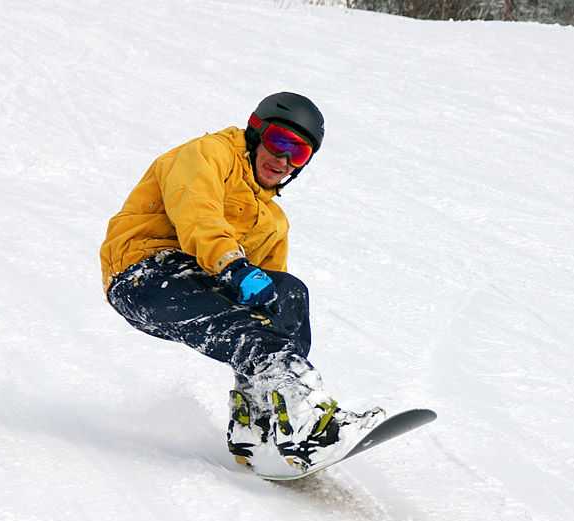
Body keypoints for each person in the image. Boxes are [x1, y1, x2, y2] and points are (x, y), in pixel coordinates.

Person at [99, 92, 383, 477]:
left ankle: (260, 426)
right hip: (145, 274)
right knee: (260, 337)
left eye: (297, 155)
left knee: (288, 296)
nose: (282, 160)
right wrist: (234, 266)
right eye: (279, 142)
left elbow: (274, 310)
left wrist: (268, 304)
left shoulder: (272, 219)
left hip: (196, 281)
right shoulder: (208, 154)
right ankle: (310, 422)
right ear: (256, 132)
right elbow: (196, 212)